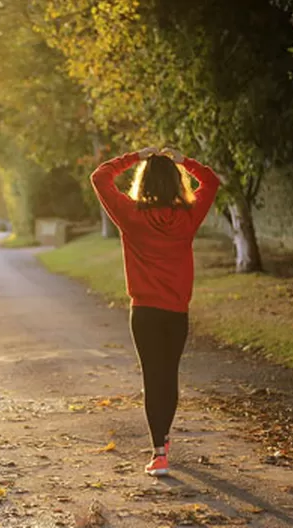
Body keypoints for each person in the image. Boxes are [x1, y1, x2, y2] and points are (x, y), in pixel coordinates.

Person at [90, 146, 221, 476]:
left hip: (144, 313)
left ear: (143, 183)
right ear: (177, 183)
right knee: (169, 376)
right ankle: (163, 437)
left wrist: (135, 156)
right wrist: (184, 161)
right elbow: (211, 181)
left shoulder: (131, 215)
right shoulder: (188, 217)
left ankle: (159, 451)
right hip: (176, 312)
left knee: (153, 377)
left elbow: (100, 177)